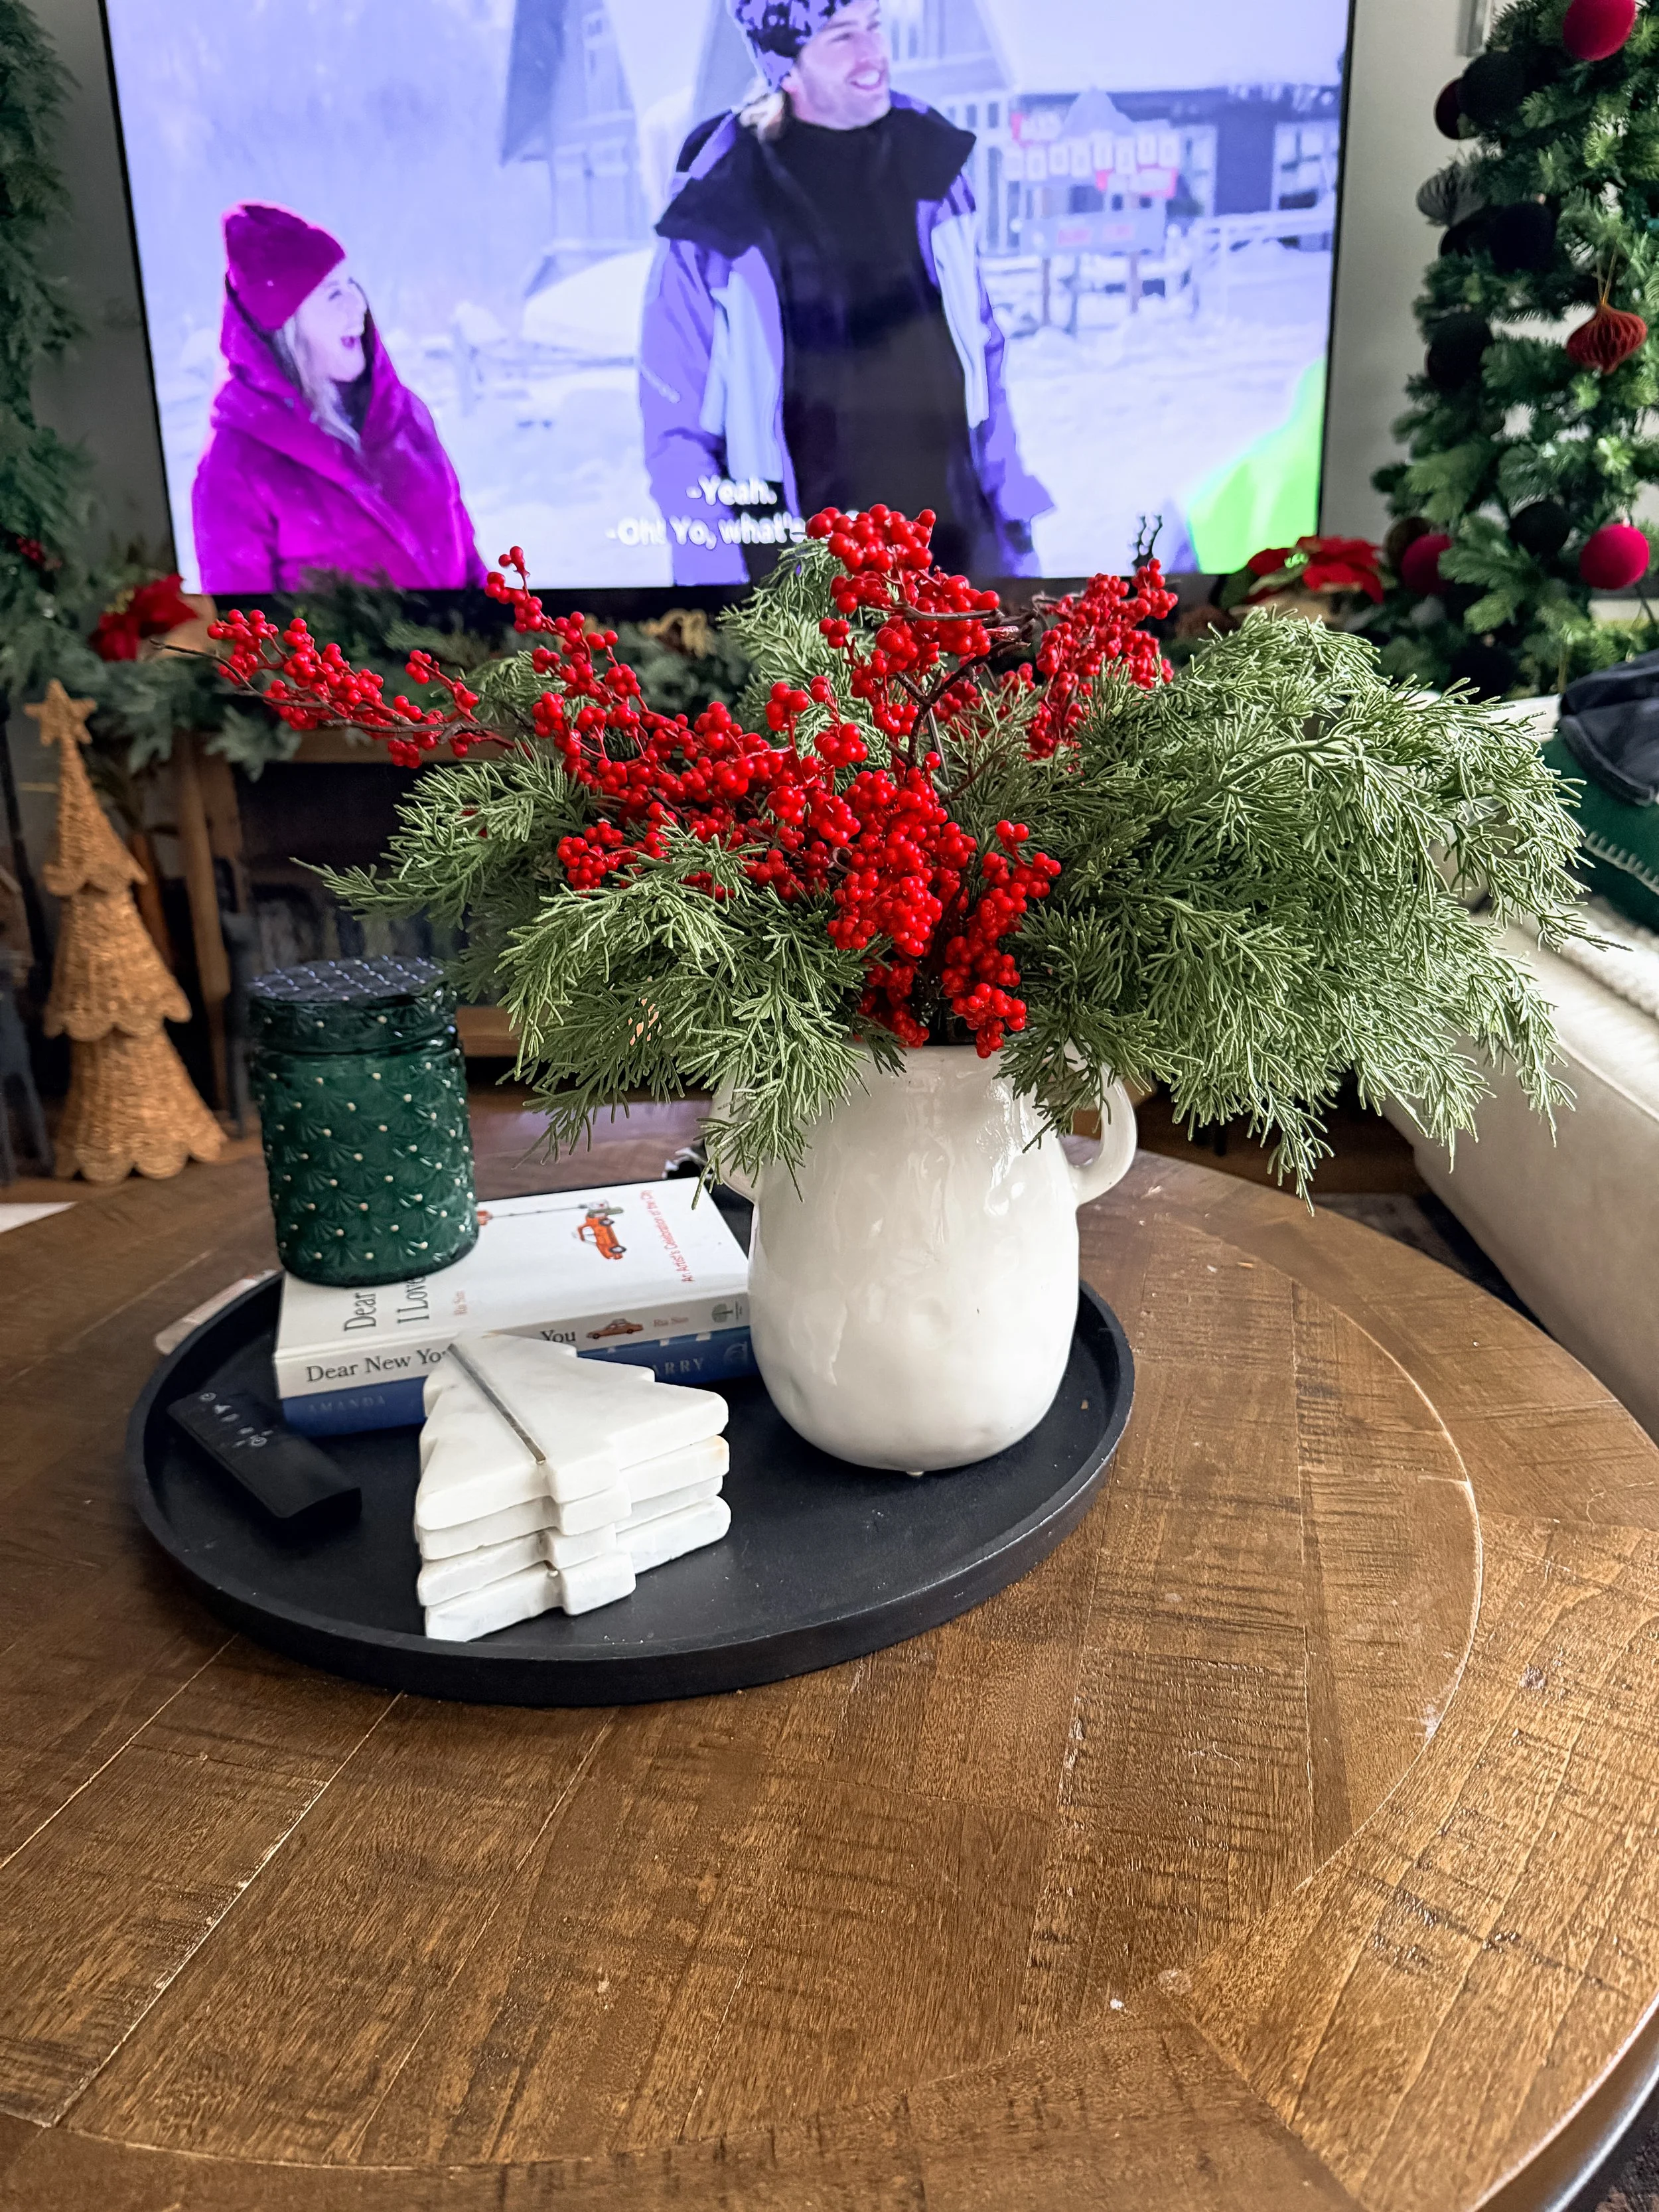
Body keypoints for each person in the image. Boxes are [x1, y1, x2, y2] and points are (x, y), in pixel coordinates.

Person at [640, 0, 1049, 585]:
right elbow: (677, 434)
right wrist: (720, 594)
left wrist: (1011, 524)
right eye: (841, 36)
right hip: (804, 592)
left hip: (954, 569)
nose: (872, 54)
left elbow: (982, 356)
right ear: (785, 61)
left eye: (874, 26)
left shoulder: (932, 167)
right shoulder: (717, 214)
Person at [192, 202, 485, 593]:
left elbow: (468, 562)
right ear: (287, 327)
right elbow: (245, 639)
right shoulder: (234, 469)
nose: (359, 306)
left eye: (352, 287)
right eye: (333, 296)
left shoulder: (406, 415)